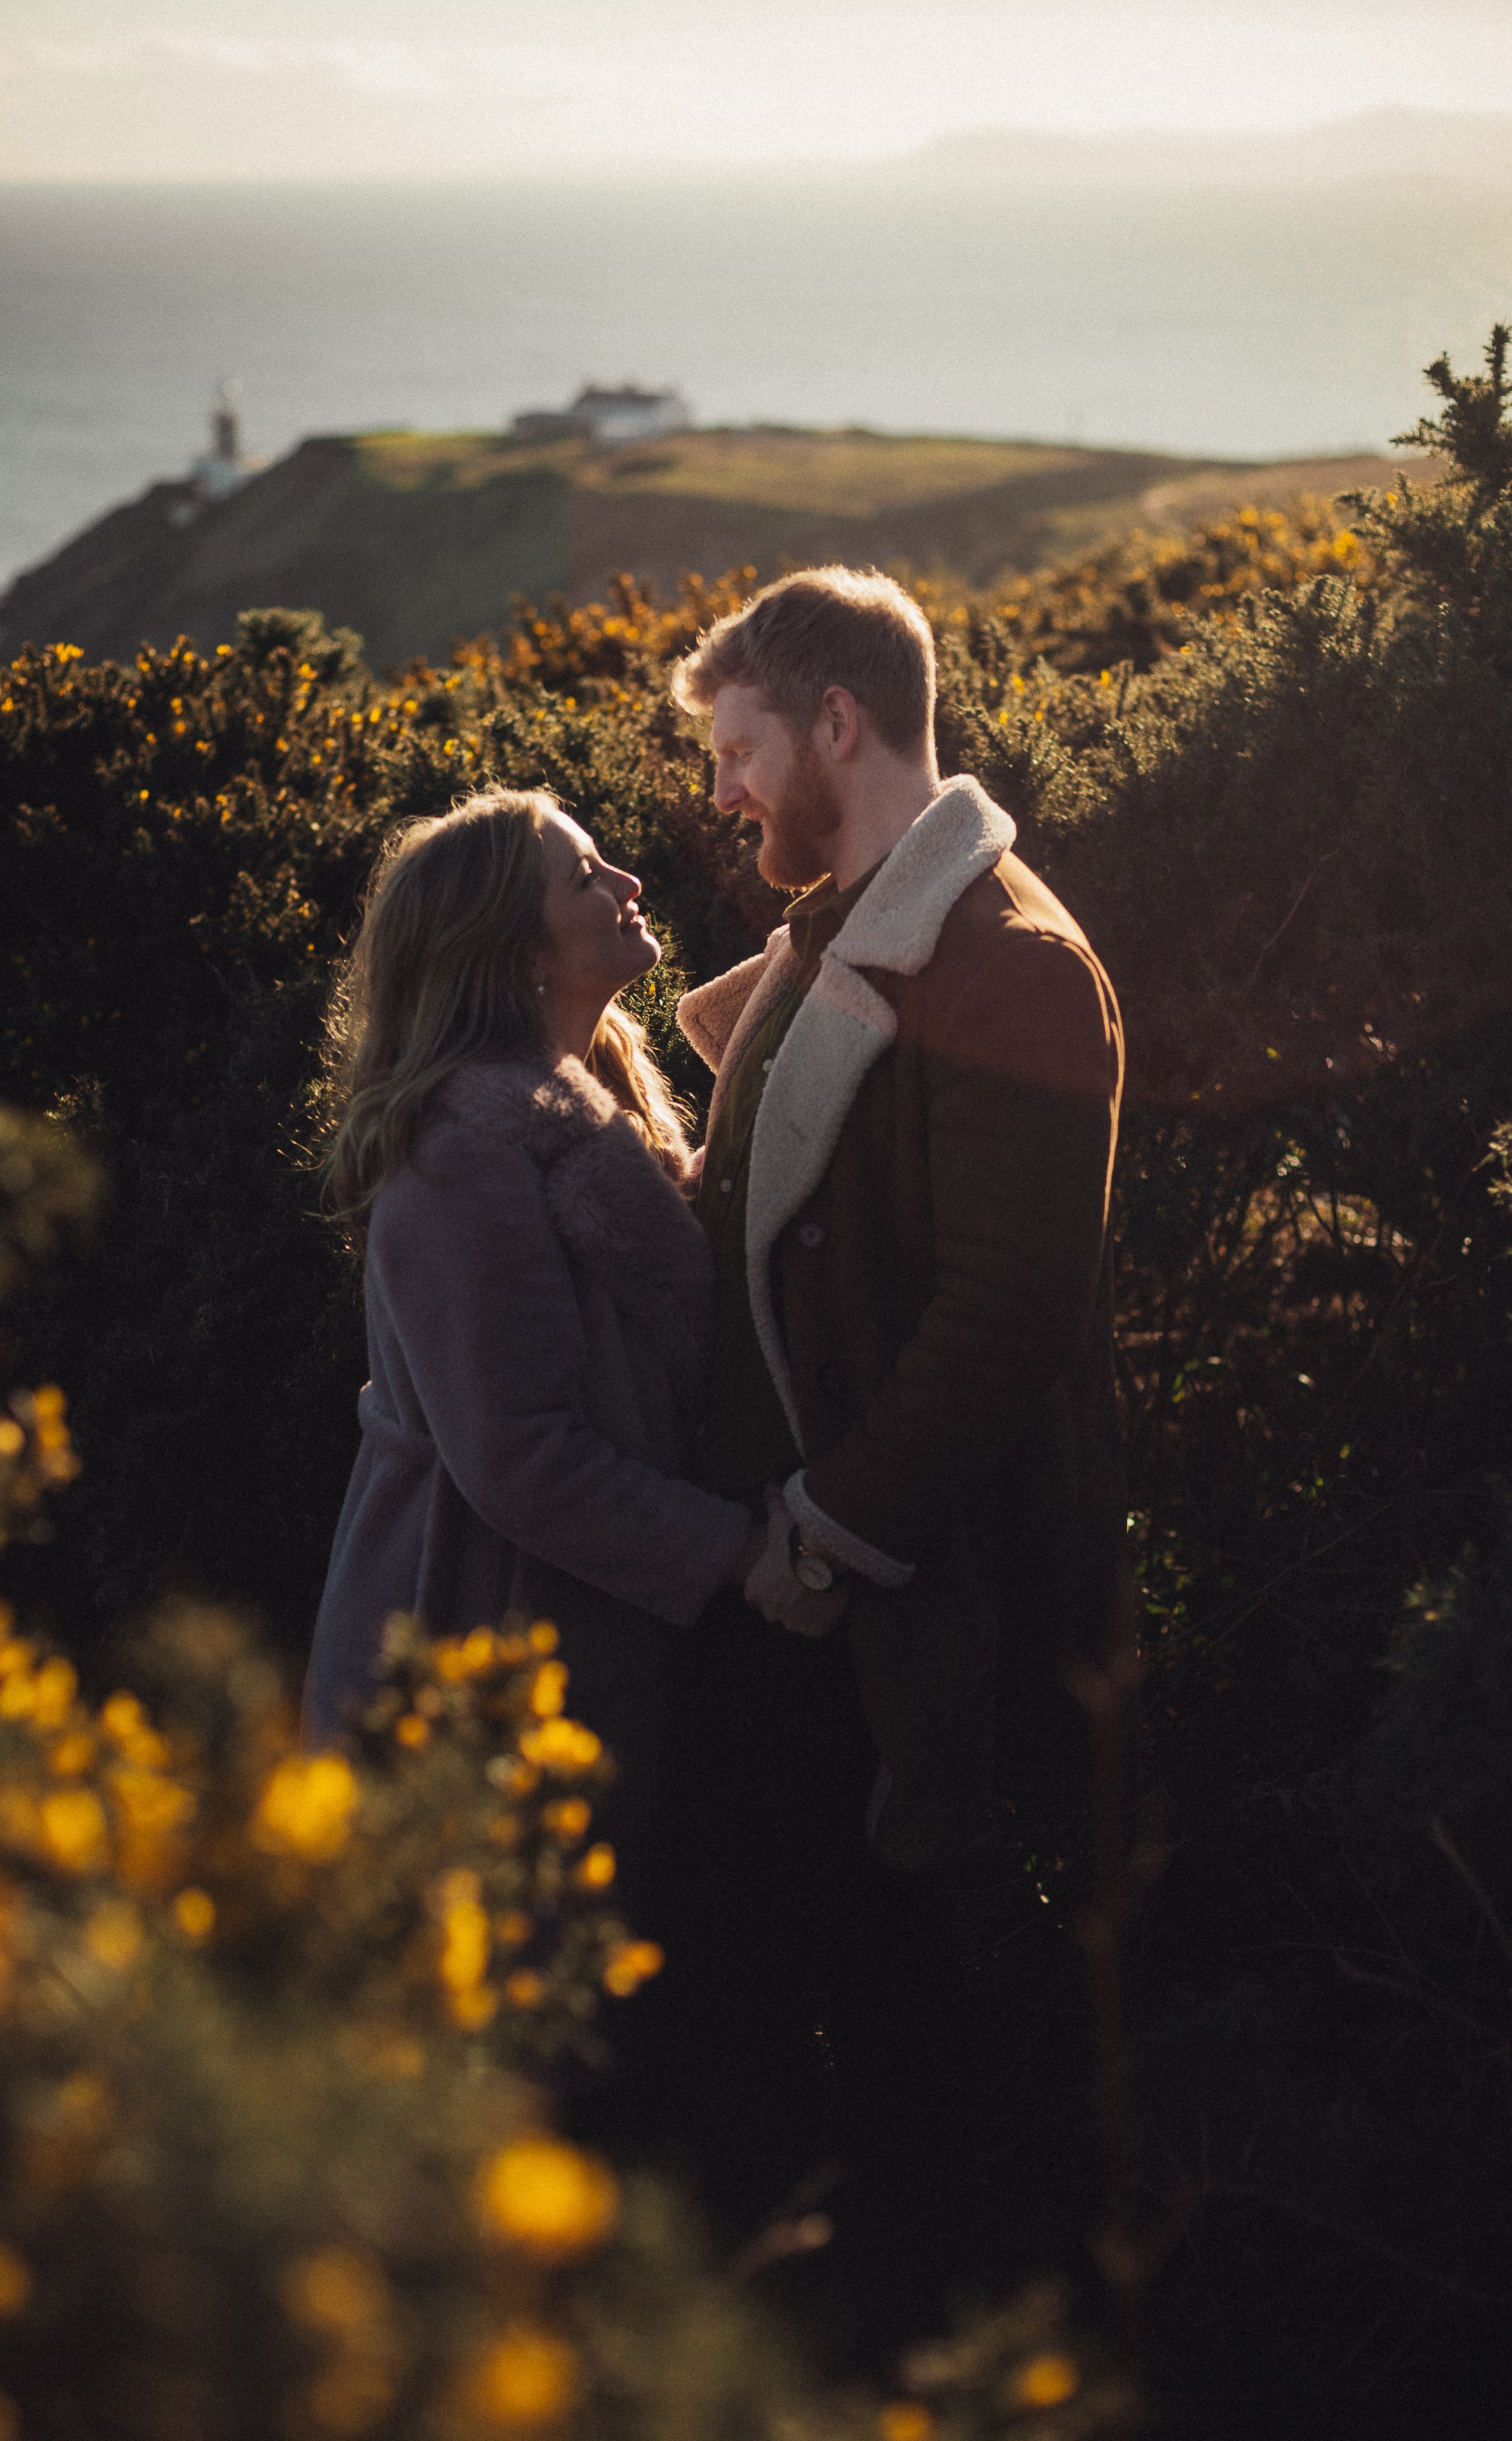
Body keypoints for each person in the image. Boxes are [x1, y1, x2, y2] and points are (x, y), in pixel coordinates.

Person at [656, 566, 1130, 2358]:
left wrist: (825, 1530)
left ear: (838, 724)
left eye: (739, 749)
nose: (721, 791)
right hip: (779, 1576)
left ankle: (927, 2358)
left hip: (889, 1595)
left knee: (906, 2016)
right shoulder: (835, 931)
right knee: (779, 1988)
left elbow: (1005, 1318)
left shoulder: (1009, 963)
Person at [303, 786, 763, 1903]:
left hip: (571, 1633)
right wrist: (739, 1552)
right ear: (517, 955)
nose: (629, 883)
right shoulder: (459, 1159)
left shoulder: (596, 1096)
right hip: (468, 1650)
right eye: (586, 876)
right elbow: (520, 1456)